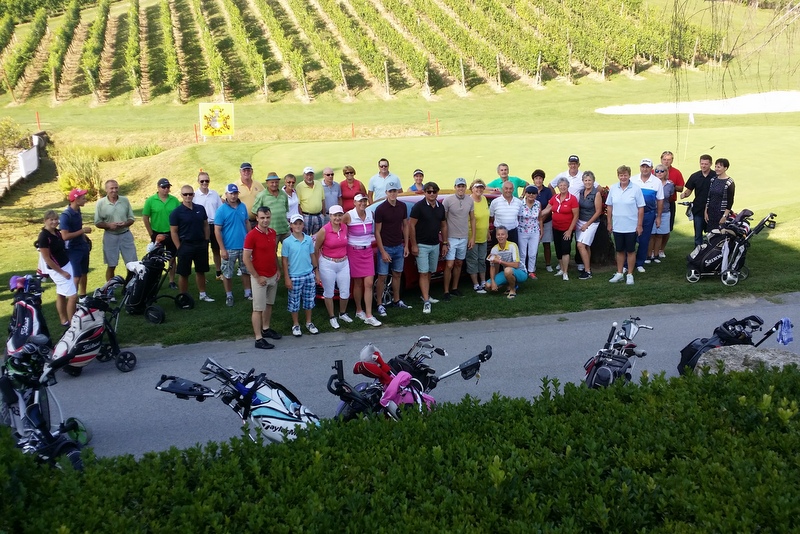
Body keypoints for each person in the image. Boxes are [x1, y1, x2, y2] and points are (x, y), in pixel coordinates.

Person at [243, 206, 282, 349]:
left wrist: (278, 269)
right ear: (257, 219)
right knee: (258, 308)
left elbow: (273, 253)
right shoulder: (251, 235)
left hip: (272, 275)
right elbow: (246, 259)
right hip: (259, 277)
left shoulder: (272, 232)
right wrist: (257, 277)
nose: (265, 220)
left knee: (269, 304)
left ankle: (266, 328)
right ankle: (258, 338)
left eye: (267, 217)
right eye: (262, 218)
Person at [374, 178, 411, 317]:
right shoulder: (380, 209)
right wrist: (382, 251)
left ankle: (397, 300)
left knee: (397, 274)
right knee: (382, 276)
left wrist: (406, 245)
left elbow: (405, 226)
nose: (393, 194)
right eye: (390, 191)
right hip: (386, 247)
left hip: (398, 246)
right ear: (386, 193)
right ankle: (379, 304)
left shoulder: (402, 206)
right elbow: (377, 232)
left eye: (395, 191)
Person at [169, 185, 213, 302]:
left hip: (200, 244)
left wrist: (206, 240)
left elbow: (205, 225)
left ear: (193, 195)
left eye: (190, 194)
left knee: (201, 270)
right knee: (184, 273)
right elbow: (173, 232)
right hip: (185, 245)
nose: (188, 196)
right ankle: (183, 296)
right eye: (185, 194)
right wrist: (179, 247)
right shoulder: (176, 212)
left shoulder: (200, 208)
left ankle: (203, 294)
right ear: (181, 195)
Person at [409, 182, 447, 315]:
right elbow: (411, 225)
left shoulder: (440, 207)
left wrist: (445, 243)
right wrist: (414, 244)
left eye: (434, 192)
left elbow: (443, 225)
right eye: (429, 192)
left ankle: (425, 295)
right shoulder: (418, 207)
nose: (431, 194)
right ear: (424, 192)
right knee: (423, 272)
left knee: (430, 271)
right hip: (422, 244)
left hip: (435, 244)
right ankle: (426, 300)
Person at [343, 194, 381, 327]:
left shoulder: (371, 214)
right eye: (360, 201)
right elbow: (338, 228)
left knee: (369, 283)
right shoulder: (349, 215)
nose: (363, 203)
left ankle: (369, 315)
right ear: (354, 202)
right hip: (354, 251)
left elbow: (375, 231)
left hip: (367, 251)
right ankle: (359, 310)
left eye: (364, 201)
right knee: (358, 283)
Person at [314, 205, 352, 330]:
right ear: (330, 216)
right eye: (335, 215)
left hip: (343, 263)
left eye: (340, 215)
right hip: (327, 263)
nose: (337, 218)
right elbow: (316, 249)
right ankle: (332, 316)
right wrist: (316, 269)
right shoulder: (324, 230)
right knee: (329, 292)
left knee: (345, 291)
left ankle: (342, 313)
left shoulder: (345, 227)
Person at [282, 214, 320, 337]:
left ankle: (309, 322)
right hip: (294, 276)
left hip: (308, 274)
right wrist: (287, 277)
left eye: (300, 223)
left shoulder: (308, 239)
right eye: (295, 224)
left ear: (303, 225)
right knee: (294, 301)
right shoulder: (287, 242)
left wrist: (316, 272)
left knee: (309, 300)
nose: (298, 226)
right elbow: (284, 261)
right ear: (291, 225)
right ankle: (296, 324)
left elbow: (312, 256)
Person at [606, 165, 644, 286]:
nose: (623, 177)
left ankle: (630, 274)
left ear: (629, 175)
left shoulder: (636, 189)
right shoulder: (613, 188)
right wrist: (609, 222)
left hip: (631, 226)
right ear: (618, 176)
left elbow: (641, 208)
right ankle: (619, 273)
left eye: (625, 175)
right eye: (621, 175)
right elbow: (609, 206)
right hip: (618, 226)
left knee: (631, 251)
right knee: (619, 251)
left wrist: (639, 225)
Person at [38, 210, 78, 326]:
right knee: (73, 296)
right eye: (51, 220)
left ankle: (64, 320)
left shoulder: (57, 232)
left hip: (66, 264)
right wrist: (62, 272)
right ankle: (73, 324)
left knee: (61, 293)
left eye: (56, 219)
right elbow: (47, 258)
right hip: (58, 270)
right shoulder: (44, 237)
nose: (54, 222)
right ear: (45, 221)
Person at [215, 184, 252, 307]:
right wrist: (222, 249)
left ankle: (248, 292)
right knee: (227, 273)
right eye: (231, 193)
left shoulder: (242, 206)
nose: (233, 196)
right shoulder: (221, 210)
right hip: (229, 247)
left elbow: (247, 223)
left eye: (235, 193)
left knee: (246, 270)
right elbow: (217, 230)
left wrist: (250, 240)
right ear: (226, 194)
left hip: (244, 246)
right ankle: (229, 295)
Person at [93, 179, 136, 282]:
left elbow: (131, 218)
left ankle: (130, 286)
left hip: (126, 235)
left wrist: (125, 223)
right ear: (106, 190)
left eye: (116, 188)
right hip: (110, 236)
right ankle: (110, 288)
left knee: (132, 264)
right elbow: (97, 222)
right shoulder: (101, 203)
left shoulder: (124, 200)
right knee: (111, 265)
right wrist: (109, 225)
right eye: (111, 188)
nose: (114, 190)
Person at [441, 177, 475, 301]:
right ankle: (446, 291)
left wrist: (473, 237)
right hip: (451, 237)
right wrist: (445, 240)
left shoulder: (470, 200)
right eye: (458, 186)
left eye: (463, 186)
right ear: (455, 187)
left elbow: (472, 218)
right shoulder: (448, 200)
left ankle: (454, 288)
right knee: (449, 264)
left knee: (459, 263)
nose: (461, 188)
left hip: (464, 237)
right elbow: (443, 220)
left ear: (465, 187)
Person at [539, 177, 578, 281]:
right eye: (560, 185)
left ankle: (565, 272)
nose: (562, 187)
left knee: (565, 250)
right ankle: (561, 268)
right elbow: (547, 209)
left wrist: (570, 230)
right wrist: (536, 215)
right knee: (558, 249)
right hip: (556, 228)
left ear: (568, 186)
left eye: (564, 185)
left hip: (567, 229)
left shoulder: (572, 199)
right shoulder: (555, 197)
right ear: (558, 187)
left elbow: (576, 216)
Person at [142, 177, 180, 289]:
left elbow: (179, 216)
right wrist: (151, 234)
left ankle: (171, 280)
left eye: (168, 187)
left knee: (172, 257)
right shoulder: (150, 200)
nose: (166, 189)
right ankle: (155, 280)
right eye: (163, 187)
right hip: (157, 233)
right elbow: (145, 217)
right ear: (158, 188)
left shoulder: (174, 200)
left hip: (171, 233)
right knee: (156, 258)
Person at [630, 158, 664, 273]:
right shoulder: (633, 180)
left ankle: (640, 262)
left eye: (647, 167)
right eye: (643, 167)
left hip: (649, 214)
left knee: (644, 239)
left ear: (651, 168)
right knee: (630, 238)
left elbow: (660, 200)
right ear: (640, 167)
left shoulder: (656, 182)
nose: (645, 169)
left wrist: (658, 217)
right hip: (633, 214)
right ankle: (626, 263)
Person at [60, 189, 92, 301]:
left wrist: (84, 240)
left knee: (84, 273)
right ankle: (72, 299)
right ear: (76, 200)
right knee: (76, 276)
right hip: (73, 249)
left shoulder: (78, 211)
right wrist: (82, 231)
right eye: (83, 198)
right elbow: (65, 236)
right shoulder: (66, 215)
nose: (85, 199)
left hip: (82, 246)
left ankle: (83, 296)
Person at [193, 171, 223, 280]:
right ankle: (202, 275)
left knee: (216, 249)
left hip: (214, 225)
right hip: (201, 226)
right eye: (202, 181)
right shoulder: (194, 196)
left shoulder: (214, 194)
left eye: (207, 180)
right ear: (198, 181)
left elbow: (220, 209)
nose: (204, 183)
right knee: (202, 251)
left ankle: (218, 272)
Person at [681, 154, 716, 246]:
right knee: (698, 234)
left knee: (712, 233)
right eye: (702, 163)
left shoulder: (715, 176)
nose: (703, 166)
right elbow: (689, 190)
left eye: (706, 164)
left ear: (710, 164)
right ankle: (697, 251)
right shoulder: (695, 176)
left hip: (712, 209)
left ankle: (710, 251)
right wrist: (684, 194)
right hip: (698, 209)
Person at [575, 171, 603, 280]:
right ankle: (587, 266)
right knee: (586, 246)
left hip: (591, 222)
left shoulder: (596, 193)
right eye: (585, 180)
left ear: (593, 181)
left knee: (580, 245)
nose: (587, 182)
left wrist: (587, 224)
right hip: (580, 222)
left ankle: (587, 271)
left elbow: (598, 211)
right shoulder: (581, 192)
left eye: (589, 180)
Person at [487, 226, 526, 299]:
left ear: (507, 236)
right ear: (496, 236)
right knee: (488, 286)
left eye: (502, 234)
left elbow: (516, 265)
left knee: (507, 270)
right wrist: (493, 281)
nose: (500, 236)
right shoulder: (494, 249)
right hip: (506, 272)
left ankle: (512, 290)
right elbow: (492, 267)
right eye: (498, 234)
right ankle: (508, 284)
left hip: (520, 272)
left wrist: (499, 261)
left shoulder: (513, 245)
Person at [646, 164, 675, 264]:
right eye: (657, 171)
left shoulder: (670, 185)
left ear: (666, 172)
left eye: (662, 171)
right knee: (651, 235)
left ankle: (656, 255)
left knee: (660, 235)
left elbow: (670, 197)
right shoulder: (651, 183)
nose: (659, 173)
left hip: (665, 212)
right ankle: (649, 255)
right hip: (652, 211)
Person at [466, 179, 490, 293]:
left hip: (483, 236)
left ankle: (483, 281)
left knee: (482, 259)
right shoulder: (469, 201)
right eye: (477, 187)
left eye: (481, 187)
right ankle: (476, 284)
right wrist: (471, 238)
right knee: (473, 260)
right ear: (472, 188)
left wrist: (487, 232)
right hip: (472, 237)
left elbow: (486, 217)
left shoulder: (484, 199)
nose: (479, 189)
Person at [251, 172, 290, 242]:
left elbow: (286, 210)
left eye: (276, 182)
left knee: (291, 248)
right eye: (272, 182)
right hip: (270, 231)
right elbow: (255, 213)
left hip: (285, 230)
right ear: (267, 183)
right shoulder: (261, 196)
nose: (274, 184)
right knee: (272, 249)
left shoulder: (284, 194)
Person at [660, 150, 684, 254]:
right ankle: (653, 249)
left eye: (669, 160)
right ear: (661, 160)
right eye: (664, 159)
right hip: (655, 203)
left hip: (669, 203)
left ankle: (661, 249)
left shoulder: (676, 172)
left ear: (672, 160)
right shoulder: (655, 171)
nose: (666, 161)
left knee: (667, 228)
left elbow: (681, 188)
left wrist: (672, 185)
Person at [516, 185, 541, 280]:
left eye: (533, 193)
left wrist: (541, 230)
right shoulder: (520, 204)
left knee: (532, 253)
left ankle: (531, 271)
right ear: (525, 193)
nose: (531, 195)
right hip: (522, 231)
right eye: (529, 193)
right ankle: (522, 270)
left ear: (536, 194)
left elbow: (540, 218)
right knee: (522, 253)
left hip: (534, 231)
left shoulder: (538, 204)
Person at [705, 158, 735, 231]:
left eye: (719, 167)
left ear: (725, 168)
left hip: (721, 213)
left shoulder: (729, 182)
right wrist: (706, 212)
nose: (716, 169)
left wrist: (724, 216)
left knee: (720, 234)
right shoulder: (713, 180)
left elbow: (730, 201)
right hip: (711, 212)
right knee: (711, 234)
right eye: (715, 167)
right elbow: (709, 197)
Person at [532, 170, 554, 272]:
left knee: (546, 244)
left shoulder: (548, 191)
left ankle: (548, 264)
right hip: (533, 223)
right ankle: (533, 264)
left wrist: (542, 220)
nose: (538, 180)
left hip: (547, 221)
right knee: (534, 245)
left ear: (543, 179)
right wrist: (537, 222)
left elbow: (550, 206)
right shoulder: (531, 190)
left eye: (540, 178)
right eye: (536, 178)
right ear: (533, 180)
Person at [296, 166, 326, 235]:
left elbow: (323, 199)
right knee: (305, 236)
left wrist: (323, 214)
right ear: (303, 175)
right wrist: (301, 217)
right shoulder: (299, 186)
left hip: (319, 215)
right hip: (306, 216)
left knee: (319, 236)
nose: (309, 177)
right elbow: (298, 204)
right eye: (307, 175)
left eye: (311, 175)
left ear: (313, 175)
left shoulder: (318, 184)